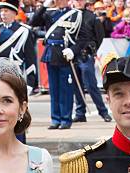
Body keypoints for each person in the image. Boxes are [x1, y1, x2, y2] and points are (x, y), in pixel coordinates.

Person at [30, 0, 83, 129]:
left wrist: (73, 50)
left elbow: (83, 38)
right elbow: (34, 22)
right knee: (54, 89)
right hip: (51, 53)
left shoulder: (75, 15)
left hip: (65, 53)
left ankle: (65, 119)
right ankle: (55, 119)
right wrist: (44, 6)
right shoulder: (49, 13)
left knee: (65, 89)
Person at [71, 0, 112, 124]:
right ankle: (80, 112)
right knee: (76, 86)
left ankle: (103, 112)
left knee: (91, 85)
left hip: (85, 54)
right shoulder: (70, 16)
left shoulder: (92, 17)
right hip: (72, 55)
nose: (78, 2)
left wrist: (91, 50)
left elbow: (99, 36)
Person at [0, 0, 37, 93]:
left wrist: (30, 82)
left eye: (6, 11)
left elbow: (30, 57)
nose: (2, 14)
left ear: (14, 13)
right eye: (1, 11)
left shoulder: (23, 31)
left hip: (14, 73)